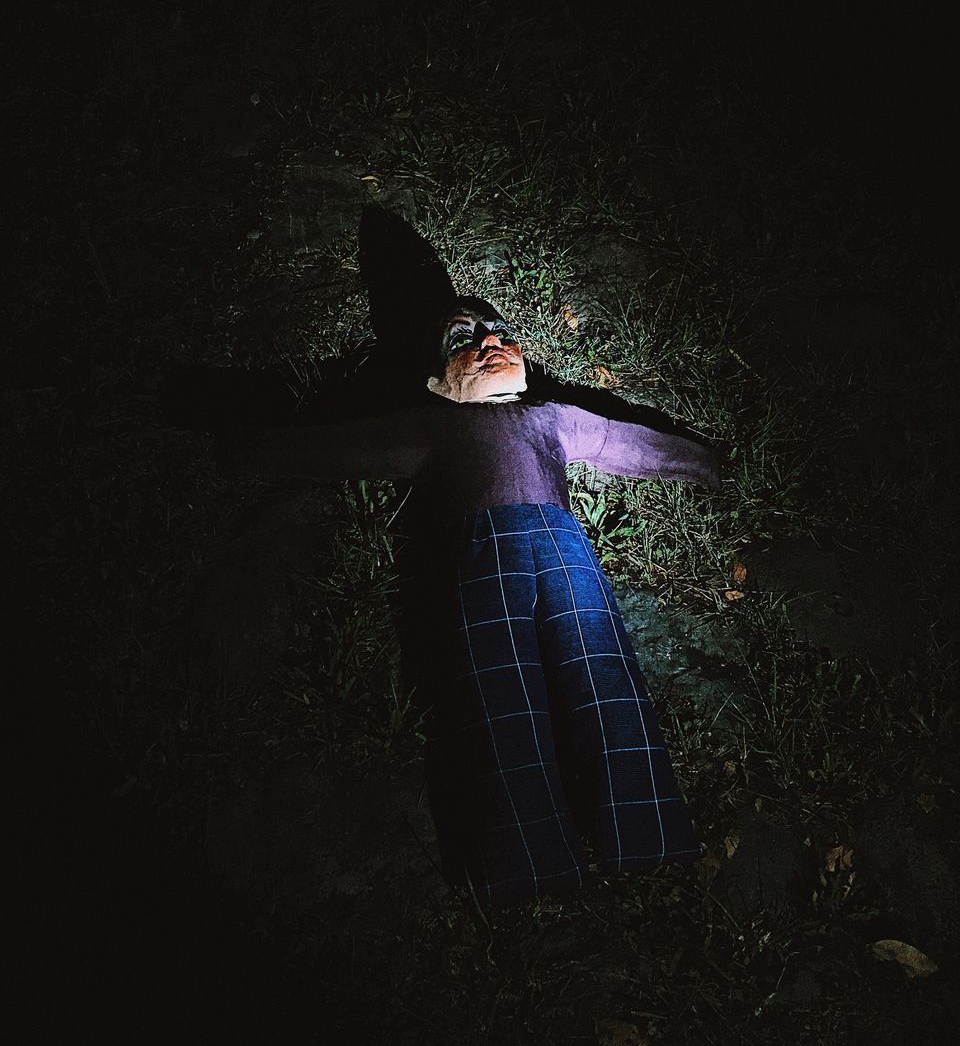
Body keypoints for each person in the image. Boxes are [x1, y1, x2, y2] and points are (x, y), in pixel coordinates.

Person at [225, 296, 720, 905]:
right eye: (465, 338)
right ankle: (526, 855)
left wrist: (709, 464)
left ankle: (644, 825)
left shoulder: (553, 418)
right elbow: (338, 446)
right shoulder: (430, 424)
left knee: (603, 673)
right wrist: (244, 448)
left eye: (500, 332)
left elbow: (629, 442)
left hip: (565, 551)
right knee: (498, 693)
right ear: (438, 381)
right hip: (480, 557)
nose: (489, 341)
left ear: (525, 360)